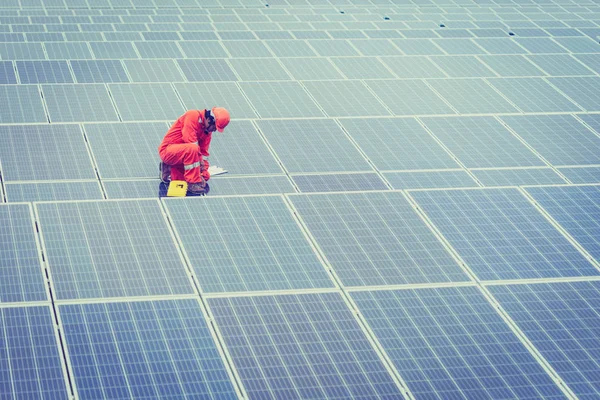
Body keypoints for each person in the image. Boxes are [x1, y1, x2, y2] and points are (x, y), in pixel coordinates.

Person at [158, 107, 230, 195]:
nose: (214, 130)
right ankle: (192, 183)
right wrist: (196, 179)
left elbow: (204, 153)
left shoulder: (207, 132)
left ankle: (168, 167)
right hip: (168, 151)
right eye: (215, 127)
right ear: (209, 120)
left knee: (204, 176)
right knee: (193, 149)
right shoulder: (192, 116)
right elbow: (190, 141)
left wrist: (203, 173)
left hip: (184, 157)